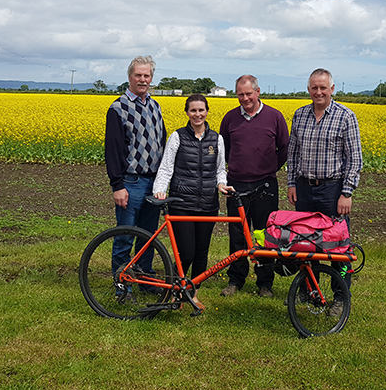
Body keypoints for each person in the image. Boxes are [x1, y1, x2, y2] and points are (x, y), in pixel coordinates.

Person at [286, 68, 363, 313]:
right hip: (305, 189)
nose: (318, 92)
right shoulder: (299, 115)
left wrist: (347, 192)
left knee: (338, 247)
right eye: (314, 88)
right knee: (305, 243)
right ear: (308, 90)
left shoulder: (346, 116)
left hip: (333, 190)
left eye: (323, 88)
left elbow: (355, 159)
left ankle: (340, 297)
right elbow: (293, 153)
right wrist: (291, 183)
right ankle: (308, 290)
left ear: (332, 89)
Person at [153, 94, 232, 310]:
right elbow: (167, 167)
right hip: (182, 203)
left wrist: (221, 184)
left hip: (208, 204)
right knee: (185, 252)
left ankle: (194, 294)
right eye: (193, 110)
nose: (198, 114)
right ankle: (175, 291)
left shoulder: (217, 139)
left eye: (201, 110)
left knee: (201, 253)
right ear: (187, 112)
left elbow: (219, 170)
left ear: (207, 111)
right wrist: (160, 190)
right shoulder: (177, 137)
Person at [219, 74, 289, 298]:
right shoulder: (230, 118)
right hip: (236, 184)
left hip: (265, 185)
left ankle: (265, 283)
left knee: (265, 234)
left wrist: (267, 169)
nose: (245, 98)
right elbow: (224, 150)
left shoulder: (274, 117)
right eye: (240, 94)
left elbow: (284, 148)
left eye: (249, 93)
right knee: (237, 233)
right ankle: (235, 280)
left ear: (258, 92)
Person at [105, 56, 166, 290]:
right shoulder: (118, 108)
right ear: (129, 77)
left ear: (151, 78)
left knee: (148, 236)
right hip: (131, 182)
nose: (143, 79)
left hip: (154, 183)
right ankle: (122, 284)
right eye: (138, 75)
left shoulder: (154, 105)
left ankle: (145, 280)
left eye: (147, 75)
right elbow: (112, 150)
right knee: (125, 236)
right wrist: (117, 185)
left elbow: (161, 141)